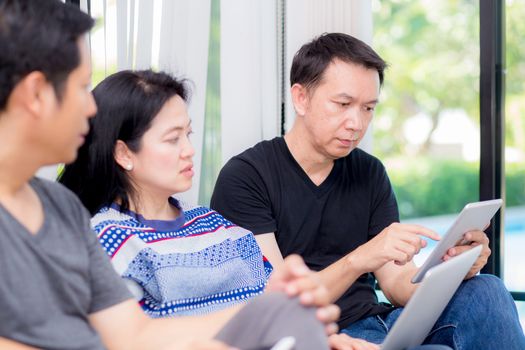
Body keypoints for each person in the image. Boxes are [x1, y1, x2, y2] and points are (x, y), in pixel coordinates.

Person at [0, 1, 342, 348]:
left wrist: (275, 309)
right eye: (80, 88)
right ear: (36, 93)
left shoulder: (61, 207)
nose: (91, 108)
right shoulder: (104, 231)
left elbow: (135, 336)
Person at [210, 32, 525, 349]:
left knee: (488, 290)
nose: (356, 123)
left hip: (382, 321)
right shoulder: (246, 177)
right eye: (343, 104)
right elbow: (275, 306)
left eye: (368, 108)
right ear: (301, 98)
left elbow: (397, 285)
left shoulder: (369, 172)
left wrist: (453, 269)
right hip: (316, 336)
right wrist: (361, 258)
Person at [59, 68, 383, 350]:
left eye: (188, 134)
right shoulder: (109, 240)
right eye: (173, 140)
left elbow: (273, 307)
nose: (189, 151)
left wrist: (318, 340)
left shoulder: (214, 225)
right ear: (124, 154)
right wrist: (271, 315)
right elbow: (136, 340)